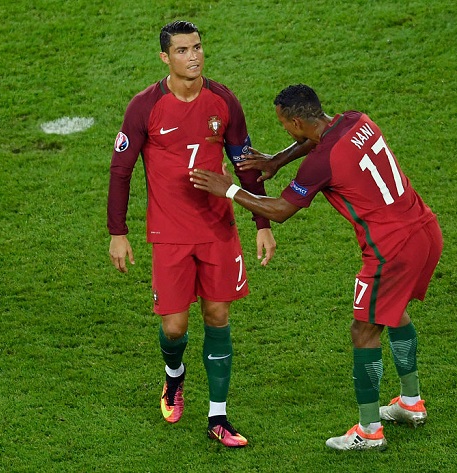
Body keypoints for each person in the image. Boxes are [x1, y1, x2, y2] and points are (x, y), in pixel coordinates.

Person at [190, 84, 443, 451]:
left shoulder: (322, 163)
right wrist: (278, 159)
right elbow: (317, 141)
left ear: (295, 121)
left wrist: (228, 190)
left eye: (284, 126)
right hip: (424, 229)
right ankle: (410, 403)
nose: (285, 132)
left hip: (392, 249)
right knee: (393, 312)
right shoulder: (355, 120)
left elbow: (279, 211)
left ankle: (369, 431)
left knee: (363, 332)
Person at [107, 20, 277, 448]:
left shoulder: (223, 101)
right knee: (174, 327)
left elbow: (245, 163)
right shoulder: (144, 107)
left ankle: (218, 416)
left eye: (197, 47)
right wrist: (118, 232)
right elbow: (121, 170)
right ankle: (174, 377)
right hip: (169, 234)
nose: (193, 56)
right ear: (165, 57)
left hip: (218, 230)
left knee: (218, 316)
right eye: (182, 50)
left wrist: (261, 223)